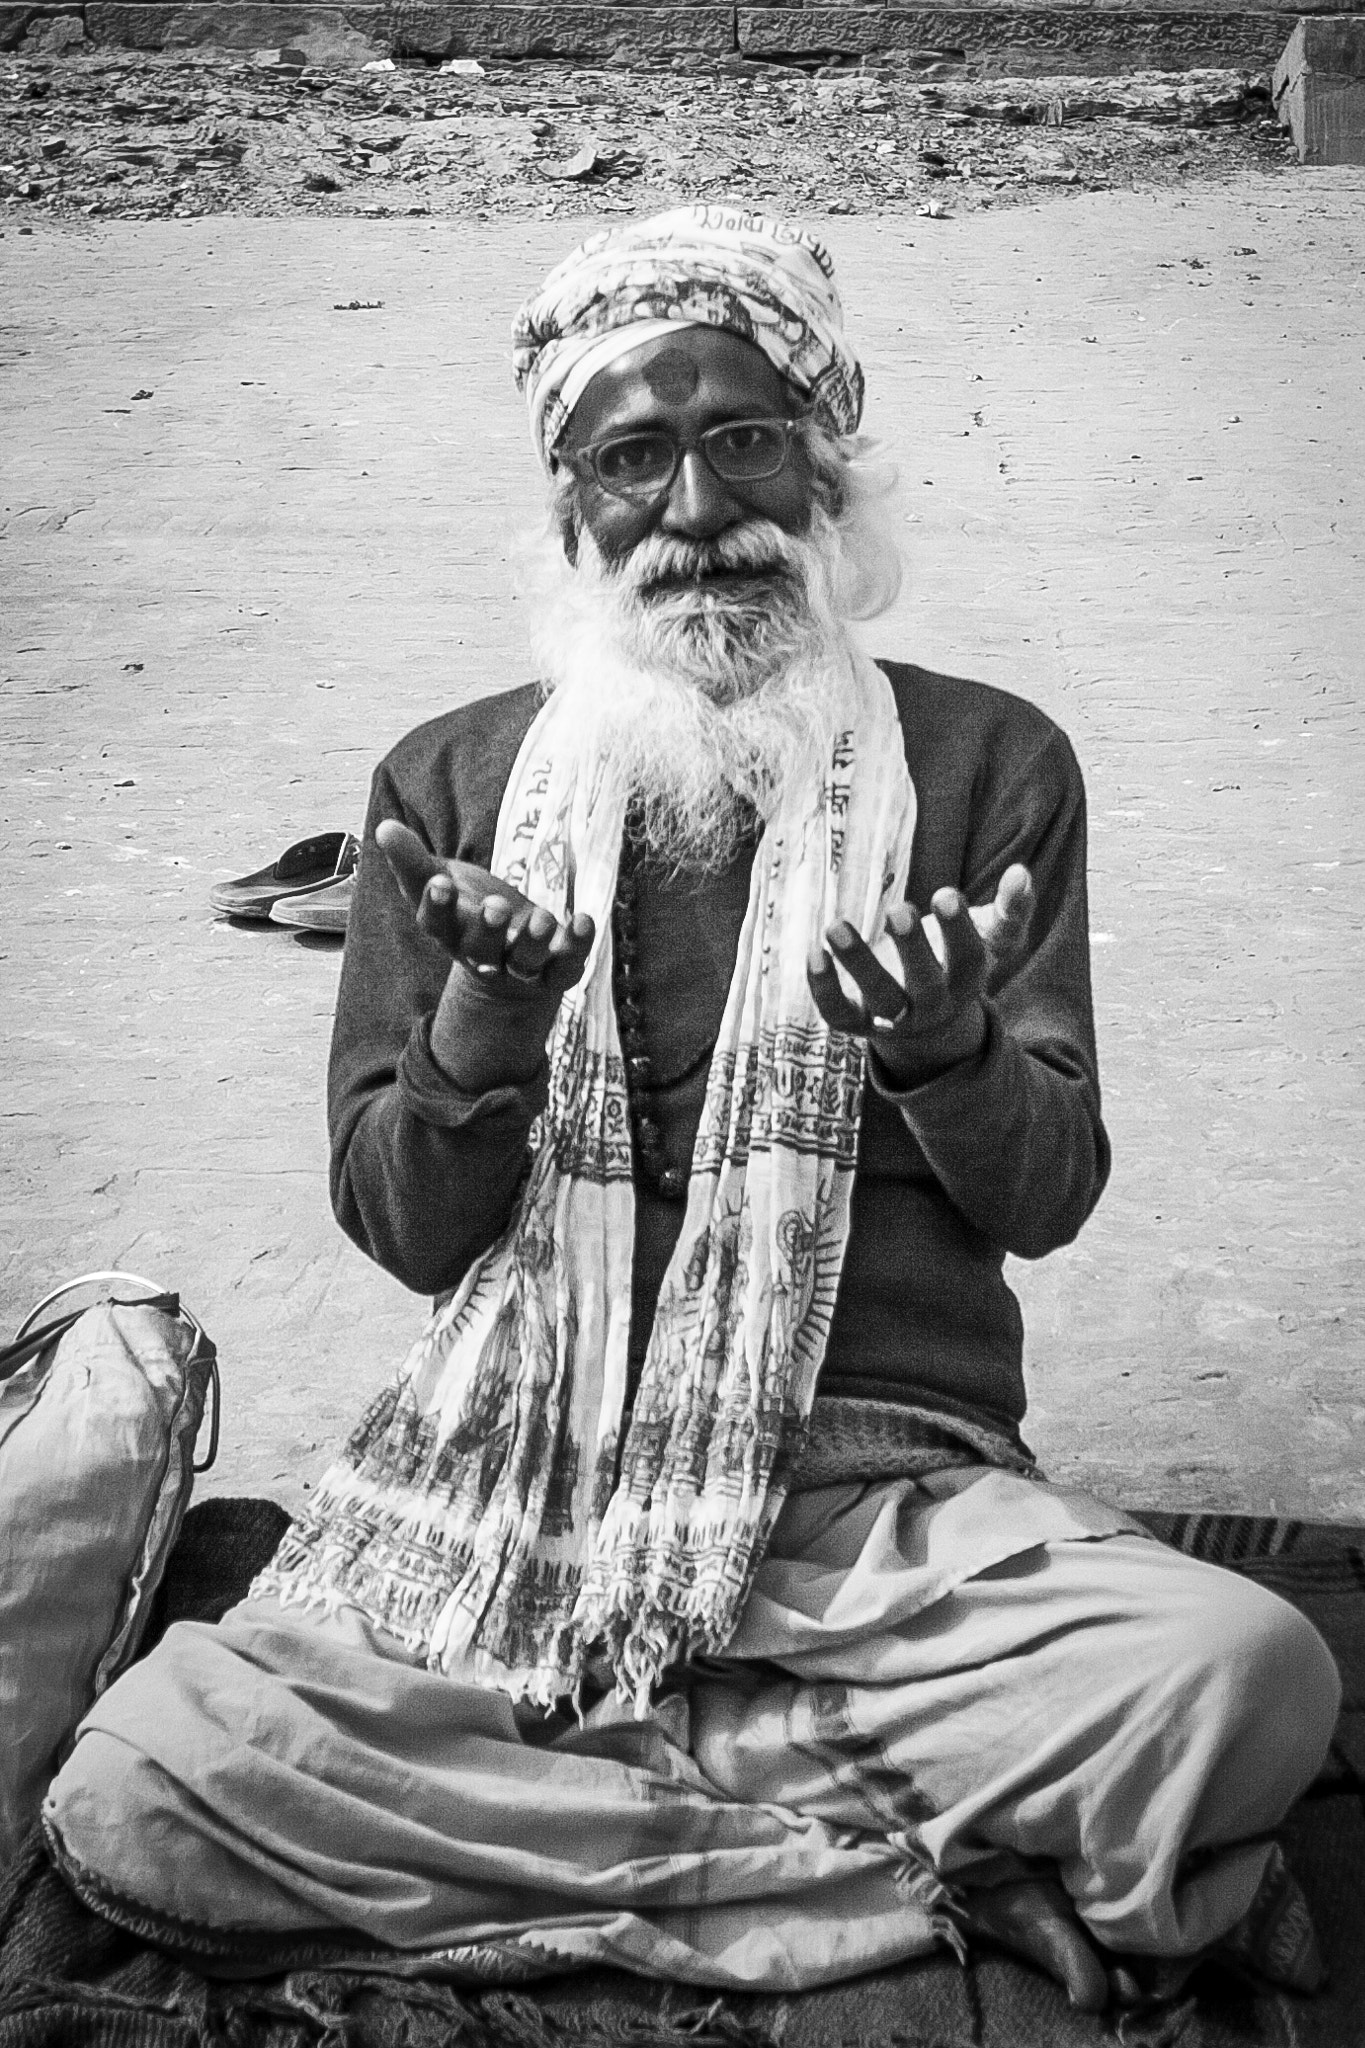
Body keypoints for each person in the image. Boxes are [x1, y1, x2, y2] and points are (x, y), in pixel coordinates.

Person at [45, 206, 1339, 2013]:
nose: (691, 506)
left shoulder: (987, 763)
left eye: (742, 439)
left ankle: (611, 1801)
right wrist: (485, 1022)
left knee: (1242, 1677)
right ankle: (892, 1860)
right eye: (628, 457)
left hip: (875, 1515)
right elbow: (405, 1226)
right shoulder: (451, 782)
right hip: (515, 1492)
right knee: (146, 1776)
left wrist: (949, 1046)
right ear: (568, 508)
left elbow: (1044, 1199)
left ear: (826, 468)